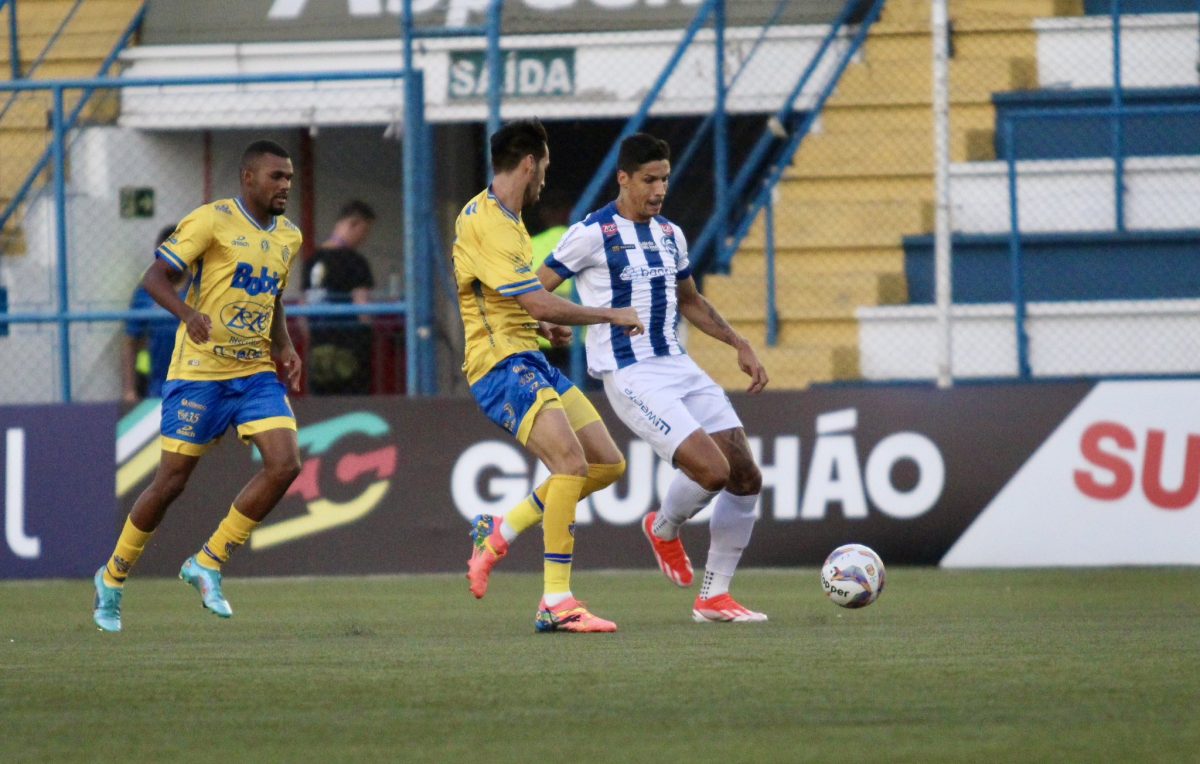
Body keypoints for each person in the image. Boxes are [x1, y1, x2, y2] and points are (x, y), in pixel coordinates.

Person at [539, 133, 771, 623]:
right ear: (623, 178)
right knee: (713, 471)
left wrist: (739, 344)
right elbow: (537, 289)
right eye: (649, 180)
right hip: (632, 375)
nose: (659, 189)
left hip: (681, 367)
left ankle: (714, 597)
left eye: (664, 179)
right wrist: (550, 320)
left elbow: (690, 301)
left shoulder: (670, 234)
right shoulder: (590, 234)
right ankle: (664, 528)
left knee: (747, 477)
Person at [92, 140, 305, 633]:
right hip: (199, 375)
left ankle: (208, 561)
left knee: (285, 463)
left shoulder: (288, 237)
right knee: (171, 484)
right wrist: (188, 313)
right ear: (248, 178)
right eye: (277, 177)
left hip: (253, 373)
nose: (285, 187)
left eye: (290, 179)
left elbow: (271, 298)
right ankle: (113, 575)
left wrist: (285, 346)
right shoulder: (211, 220)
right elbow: (155, 277)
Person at [451, 118, 644, 633]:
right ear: (531, 163)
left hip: (526, 356)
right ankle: (556, 601)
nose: (545, 180)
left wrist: (539, 324)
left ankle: (499, 530)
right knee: (569, 463)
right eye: (546, 168)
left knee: (606, 463)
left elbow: (513, 298)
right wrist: (609, 314)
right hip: (500, 365)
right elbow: (536, 296)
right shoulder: (486, 222)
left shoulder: (508, 220)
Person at [302, 199, 376, 395]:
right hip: (350, 350)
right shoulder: (356, 262)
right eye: (365, 231)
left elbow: (303, 307)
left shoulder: (312, 260)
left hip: (319, 351)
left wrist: (311, 339)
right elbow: (362, 306)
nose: (364, 239)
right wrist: (369, 336)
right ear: (354, 224)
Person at [122, 224, 188, 403]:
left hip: (197, 387)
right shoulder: (144, 294)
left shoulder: (201, 290)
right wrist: (129, 390)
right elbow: (130, 343)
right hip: (158, 388)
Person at [529, 189, 574, 372]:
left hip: (541, 341)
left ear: (544, 214)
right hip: (578, 343)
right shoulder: (584, 243)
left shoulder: (529, 245)